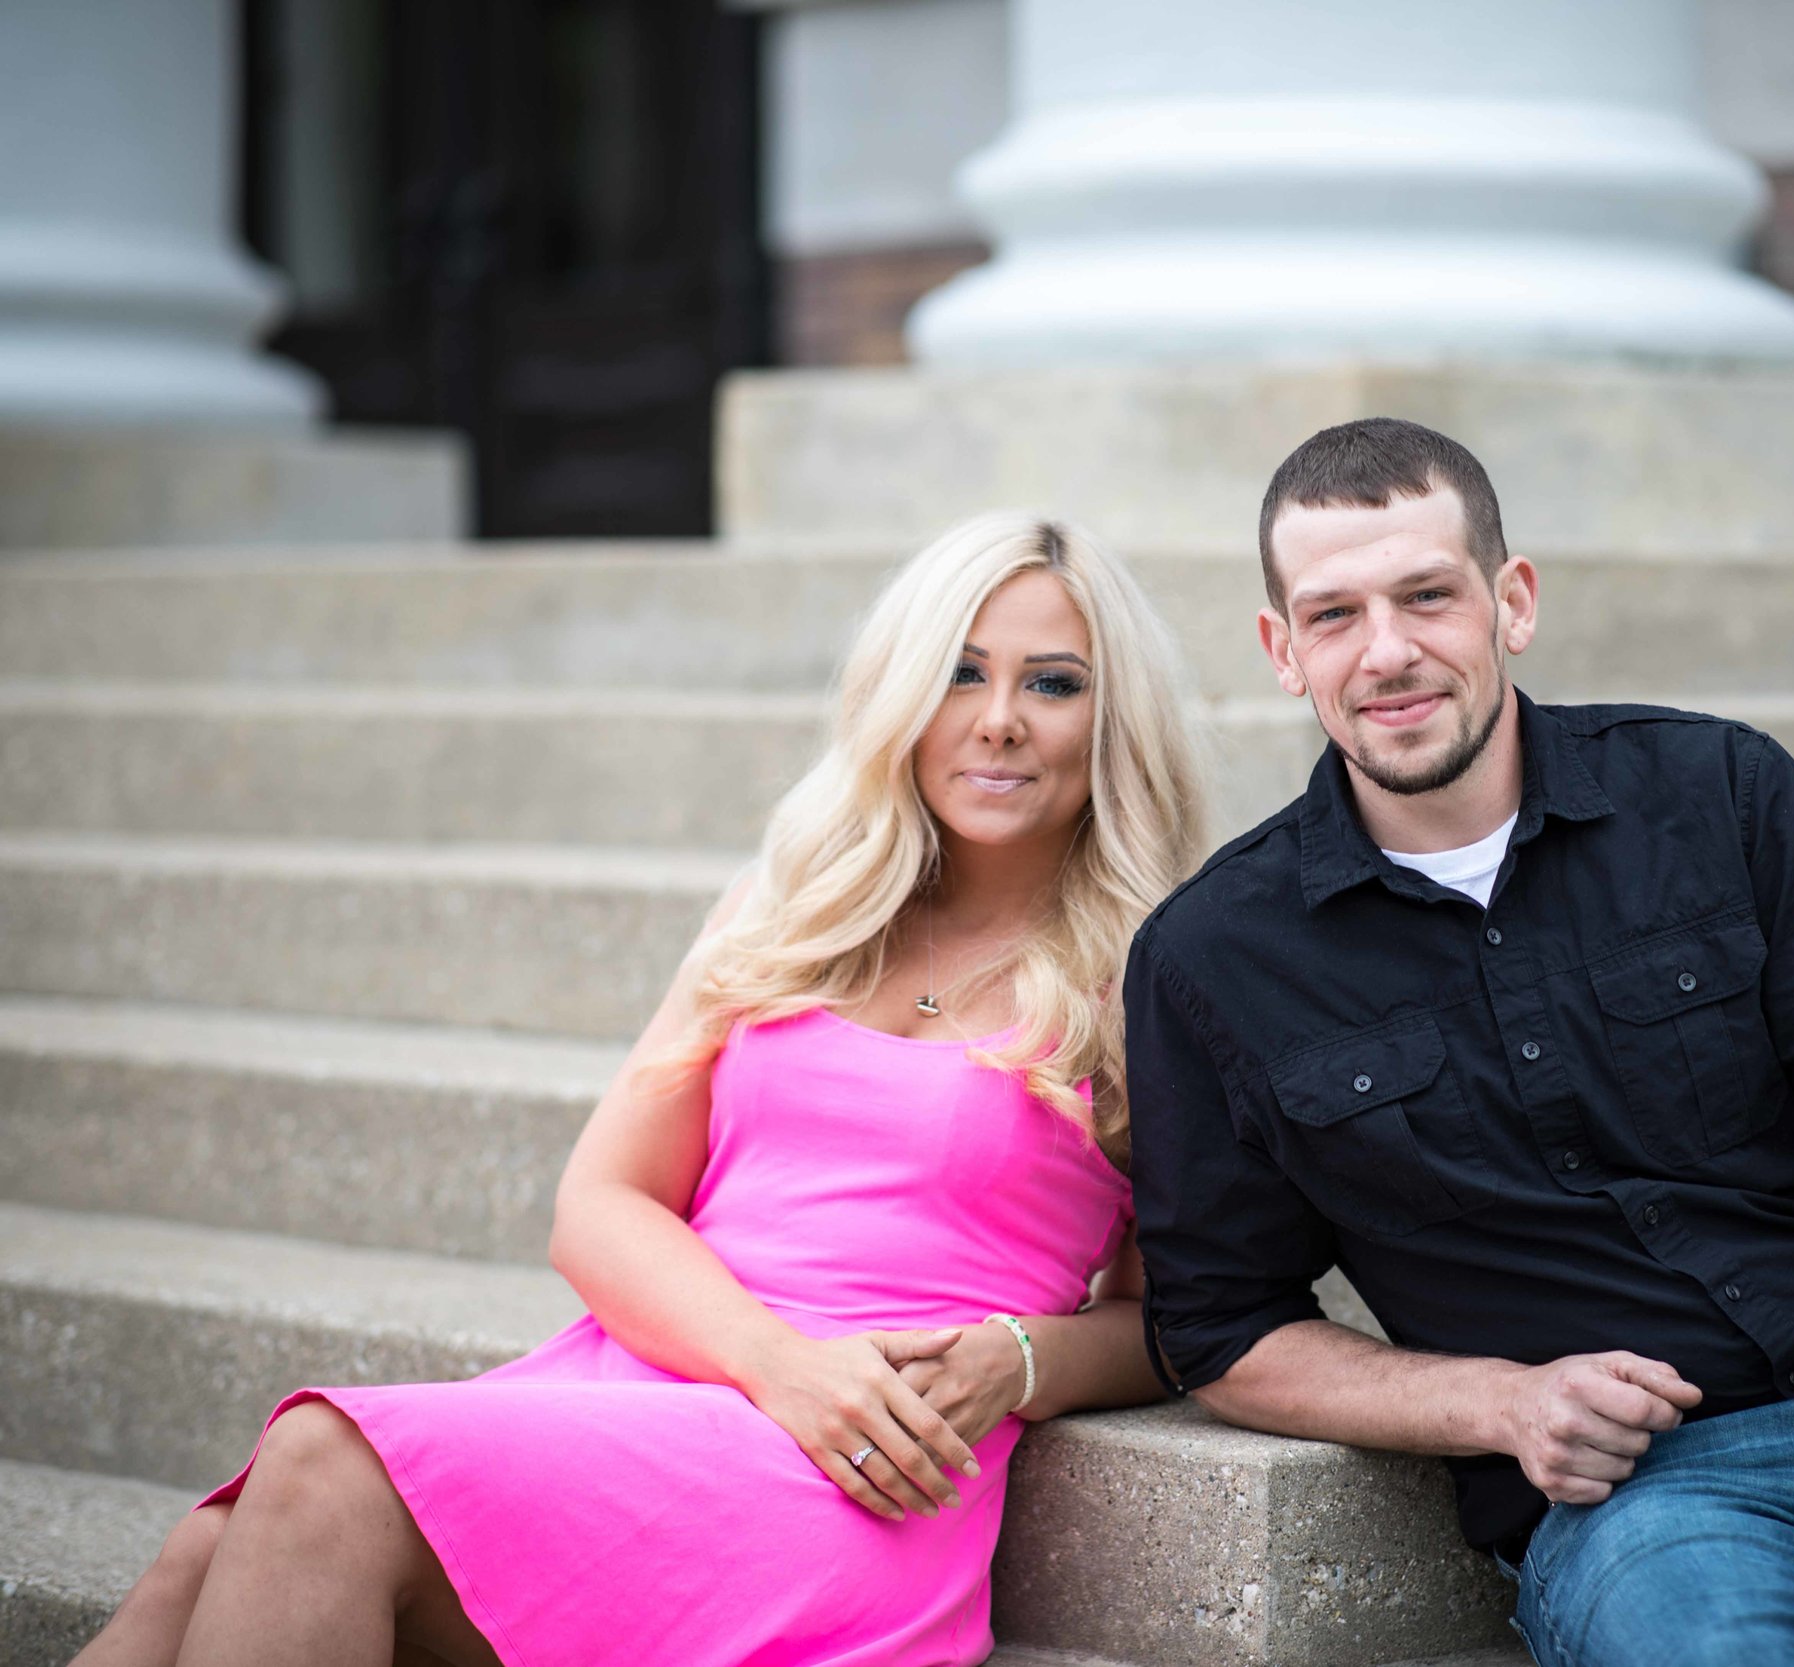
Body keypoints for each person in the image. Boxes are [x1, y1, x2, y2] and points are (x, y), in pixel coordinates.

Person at [1123, 419, 1794, 1667]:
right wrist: (1498, 1399)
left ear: (1512, 600)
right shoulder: (1214, 955)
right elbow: (1220, 1332)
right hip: (1656, 1501)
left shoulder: (1721, 792)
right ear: (1282, 649)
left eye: (1427, 595)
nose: (1386, 652)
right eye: (1333, 615)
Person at [78, 513, 1206, 1667]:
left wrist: (1014, 1361)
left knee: (319, 1460)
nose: (998, 716)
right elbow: (601, 1204)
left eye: (1052, 682)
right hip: (677, 1372)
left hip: (854, 1465)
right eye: (959, 670)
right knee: (207, 1546)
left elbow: (1186, 1317)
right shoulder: (792, 911)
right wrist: (777, 1363)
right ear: (901, 695)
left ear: (1108, 722)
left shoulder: (1153, 978)